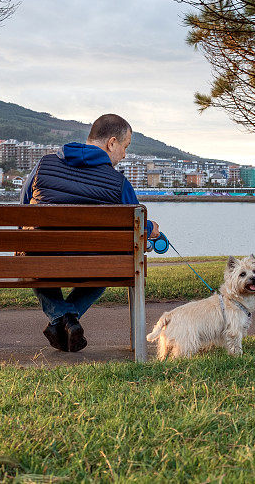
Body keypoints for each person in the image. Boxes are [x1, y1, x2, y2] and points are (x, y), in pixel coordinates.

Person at [20, 113, 159, 352]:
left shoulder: (43, 165)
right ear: (111, 143)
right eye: (124, 147)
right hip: (94, 265)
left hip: (41, 260)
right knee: (111, 267)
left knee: (36, 253)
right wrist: (152, 229)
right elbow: (134, 226)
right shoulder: (119, 184)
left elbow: (23, 212)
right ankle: (68, 318)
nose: (124, 154)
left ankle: (60, 319)